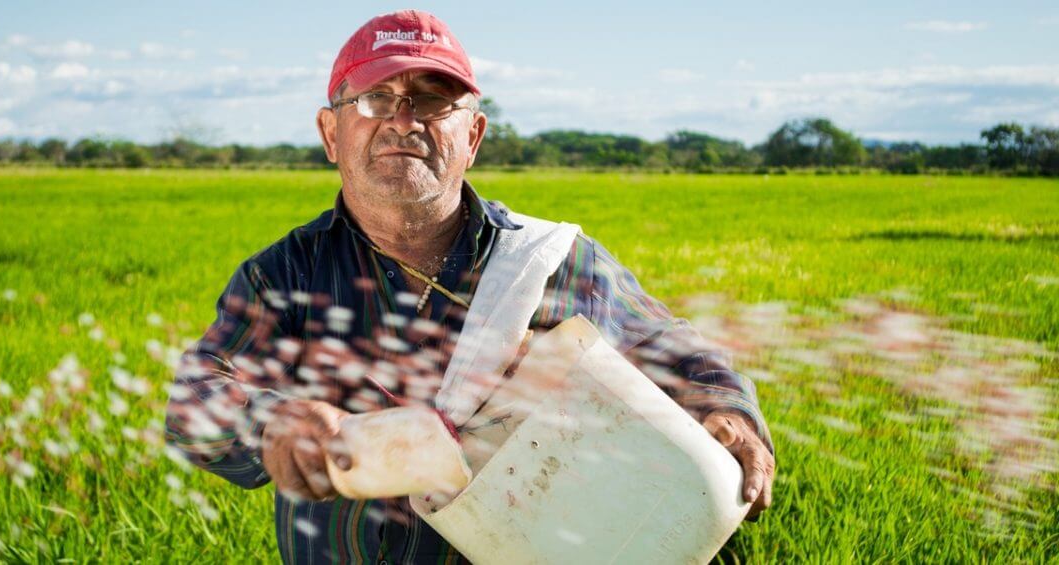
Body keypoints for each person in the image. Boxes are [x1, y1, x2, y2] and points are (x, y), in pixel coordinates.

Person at [165, 9, 775, 563]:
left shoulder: (547, 261)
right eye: (376, 98)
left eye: (432, 101)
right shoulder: (285, 275)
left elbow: (672, 348)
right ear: (331, 134)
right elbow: (195, 398)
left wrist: (725, 409)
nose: (404, 121)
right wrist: (270, 424)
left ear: (473, 137)